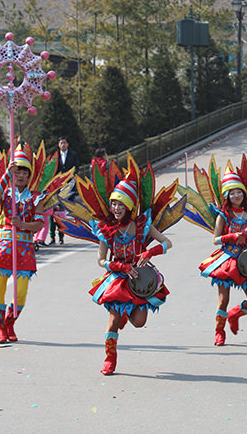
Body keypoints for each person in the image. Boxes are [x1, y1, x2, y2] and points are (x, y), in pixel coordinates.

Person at [88, 171, 172, 375]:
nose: (116, 208)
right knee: (114, 319)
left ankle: (127, 316)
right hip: (118, 280)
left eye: (121, 204)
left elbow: (167, 242)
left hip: (140, 281)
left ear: (130, 206)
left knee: (140, 321)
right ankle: (110, 359)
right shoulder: (107, 229)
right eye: (114, 204)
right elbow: (101, 261)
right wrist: (120, 267)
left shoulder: (143, 226)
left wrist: (150, 251)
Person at [0, 145, 45, 343]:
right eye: (17, 171)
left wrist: (23, 224)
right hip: (4, 245)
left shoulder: (36, 197)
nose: (20, 175)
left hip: (25, 248)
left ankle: (10, 322)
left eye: (23, 172)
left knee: (21, 292)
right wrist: (6, 176)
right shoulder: (6, 193)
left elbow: (39, 225)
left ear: (29, 176)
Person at [199, 169, 247, 346]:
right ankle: (219, 332)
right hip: (226, 260)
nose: (236, 195)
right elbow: (215, 239)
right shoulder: (224, 215)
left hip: (246, 261)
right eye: (232, 192)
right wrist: (232, 237)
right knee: (223, 299)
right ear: (227, 196)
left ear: (244, 193)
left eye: (239, 192)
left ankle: (234, 315)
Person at [49, 137, 78, 245]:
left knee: (69, 201)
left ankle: (66, 227)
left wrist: (73, 176)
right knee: (56, 208)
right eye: (61, 143)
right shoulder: (56, 156)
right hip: (59, 183)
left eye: (64, 143)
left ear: (67, 144)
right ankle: (53, 237)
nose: (63, 145)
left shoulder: (73, 154)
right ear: (58, 144)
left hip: (69, 181)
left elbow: (76, 166)